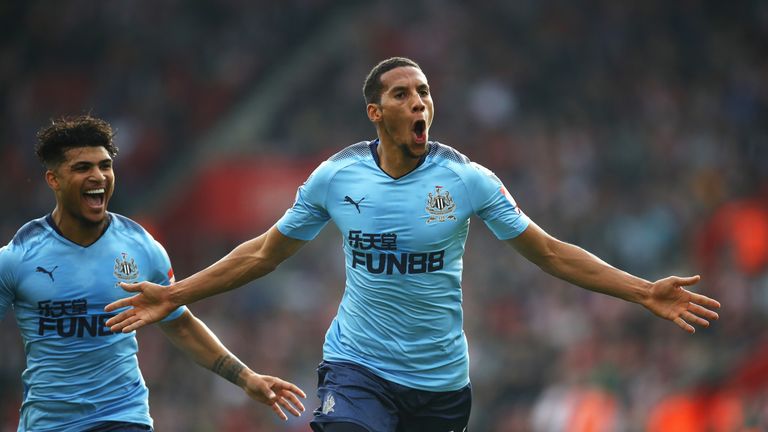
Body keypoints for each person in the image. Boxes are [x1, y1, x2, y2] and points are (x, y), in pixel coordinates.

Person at [104, 57, 722, 432]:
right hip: (357, 364)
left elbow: (552, 252)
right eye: (402, 94)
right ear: (375, 112)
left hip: (440, 382)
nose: (419, 102)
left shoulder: (467, 180)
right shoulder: (336, 177)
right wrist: (177, 292)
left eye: (424, 92)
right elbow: (264, 252)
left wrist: (644, 291)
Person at [0, 115, 306, 432]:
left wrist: (245, 377)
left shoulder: (141, 247)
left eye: (105, 166)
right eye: (82, 168)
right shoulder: (18, 257)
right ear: (53, 179)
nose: (99, 176)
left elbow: (180, 324)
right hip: (47, 424)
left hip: (122, 417)